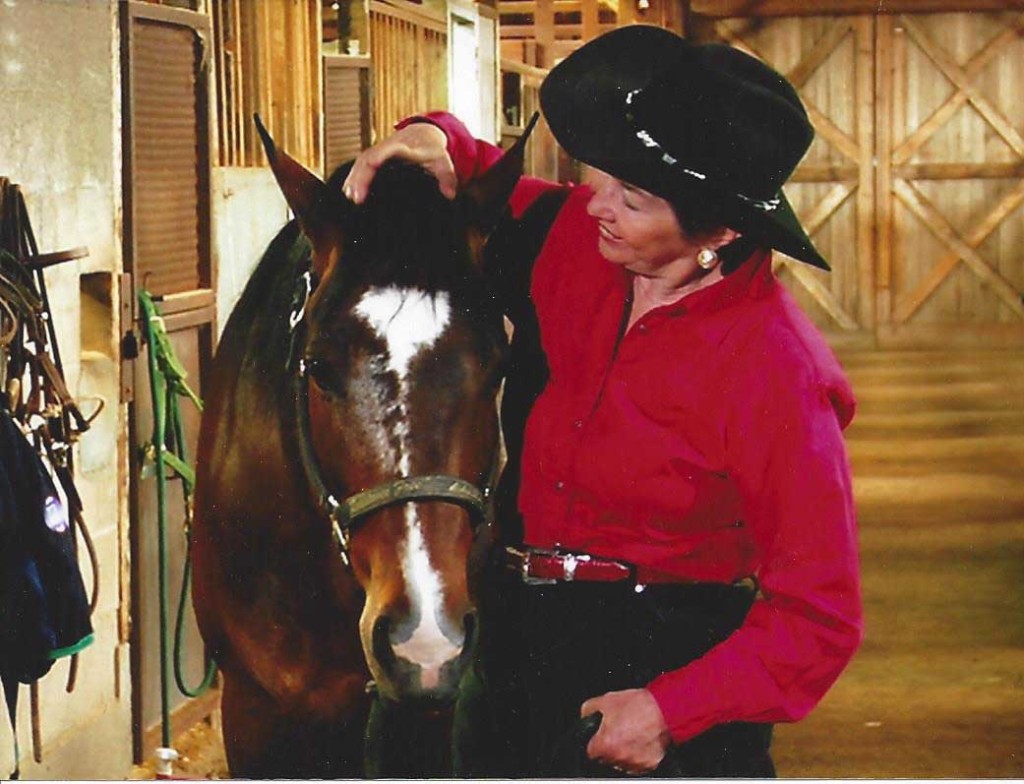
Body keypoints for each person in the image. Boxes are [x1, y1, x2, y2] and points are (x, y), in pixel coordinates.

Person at [343, 25, 863, 778]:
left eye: (633, 197)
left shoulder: (776, 371)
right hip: (516, 648)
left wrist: (671, 710)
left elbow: (821, 615)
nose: (596, 205)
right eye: (603, 176)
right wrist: (432, 136)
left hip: (662, 663)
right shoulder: (572, 245)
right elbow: (475, 169)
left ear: (717, 230)